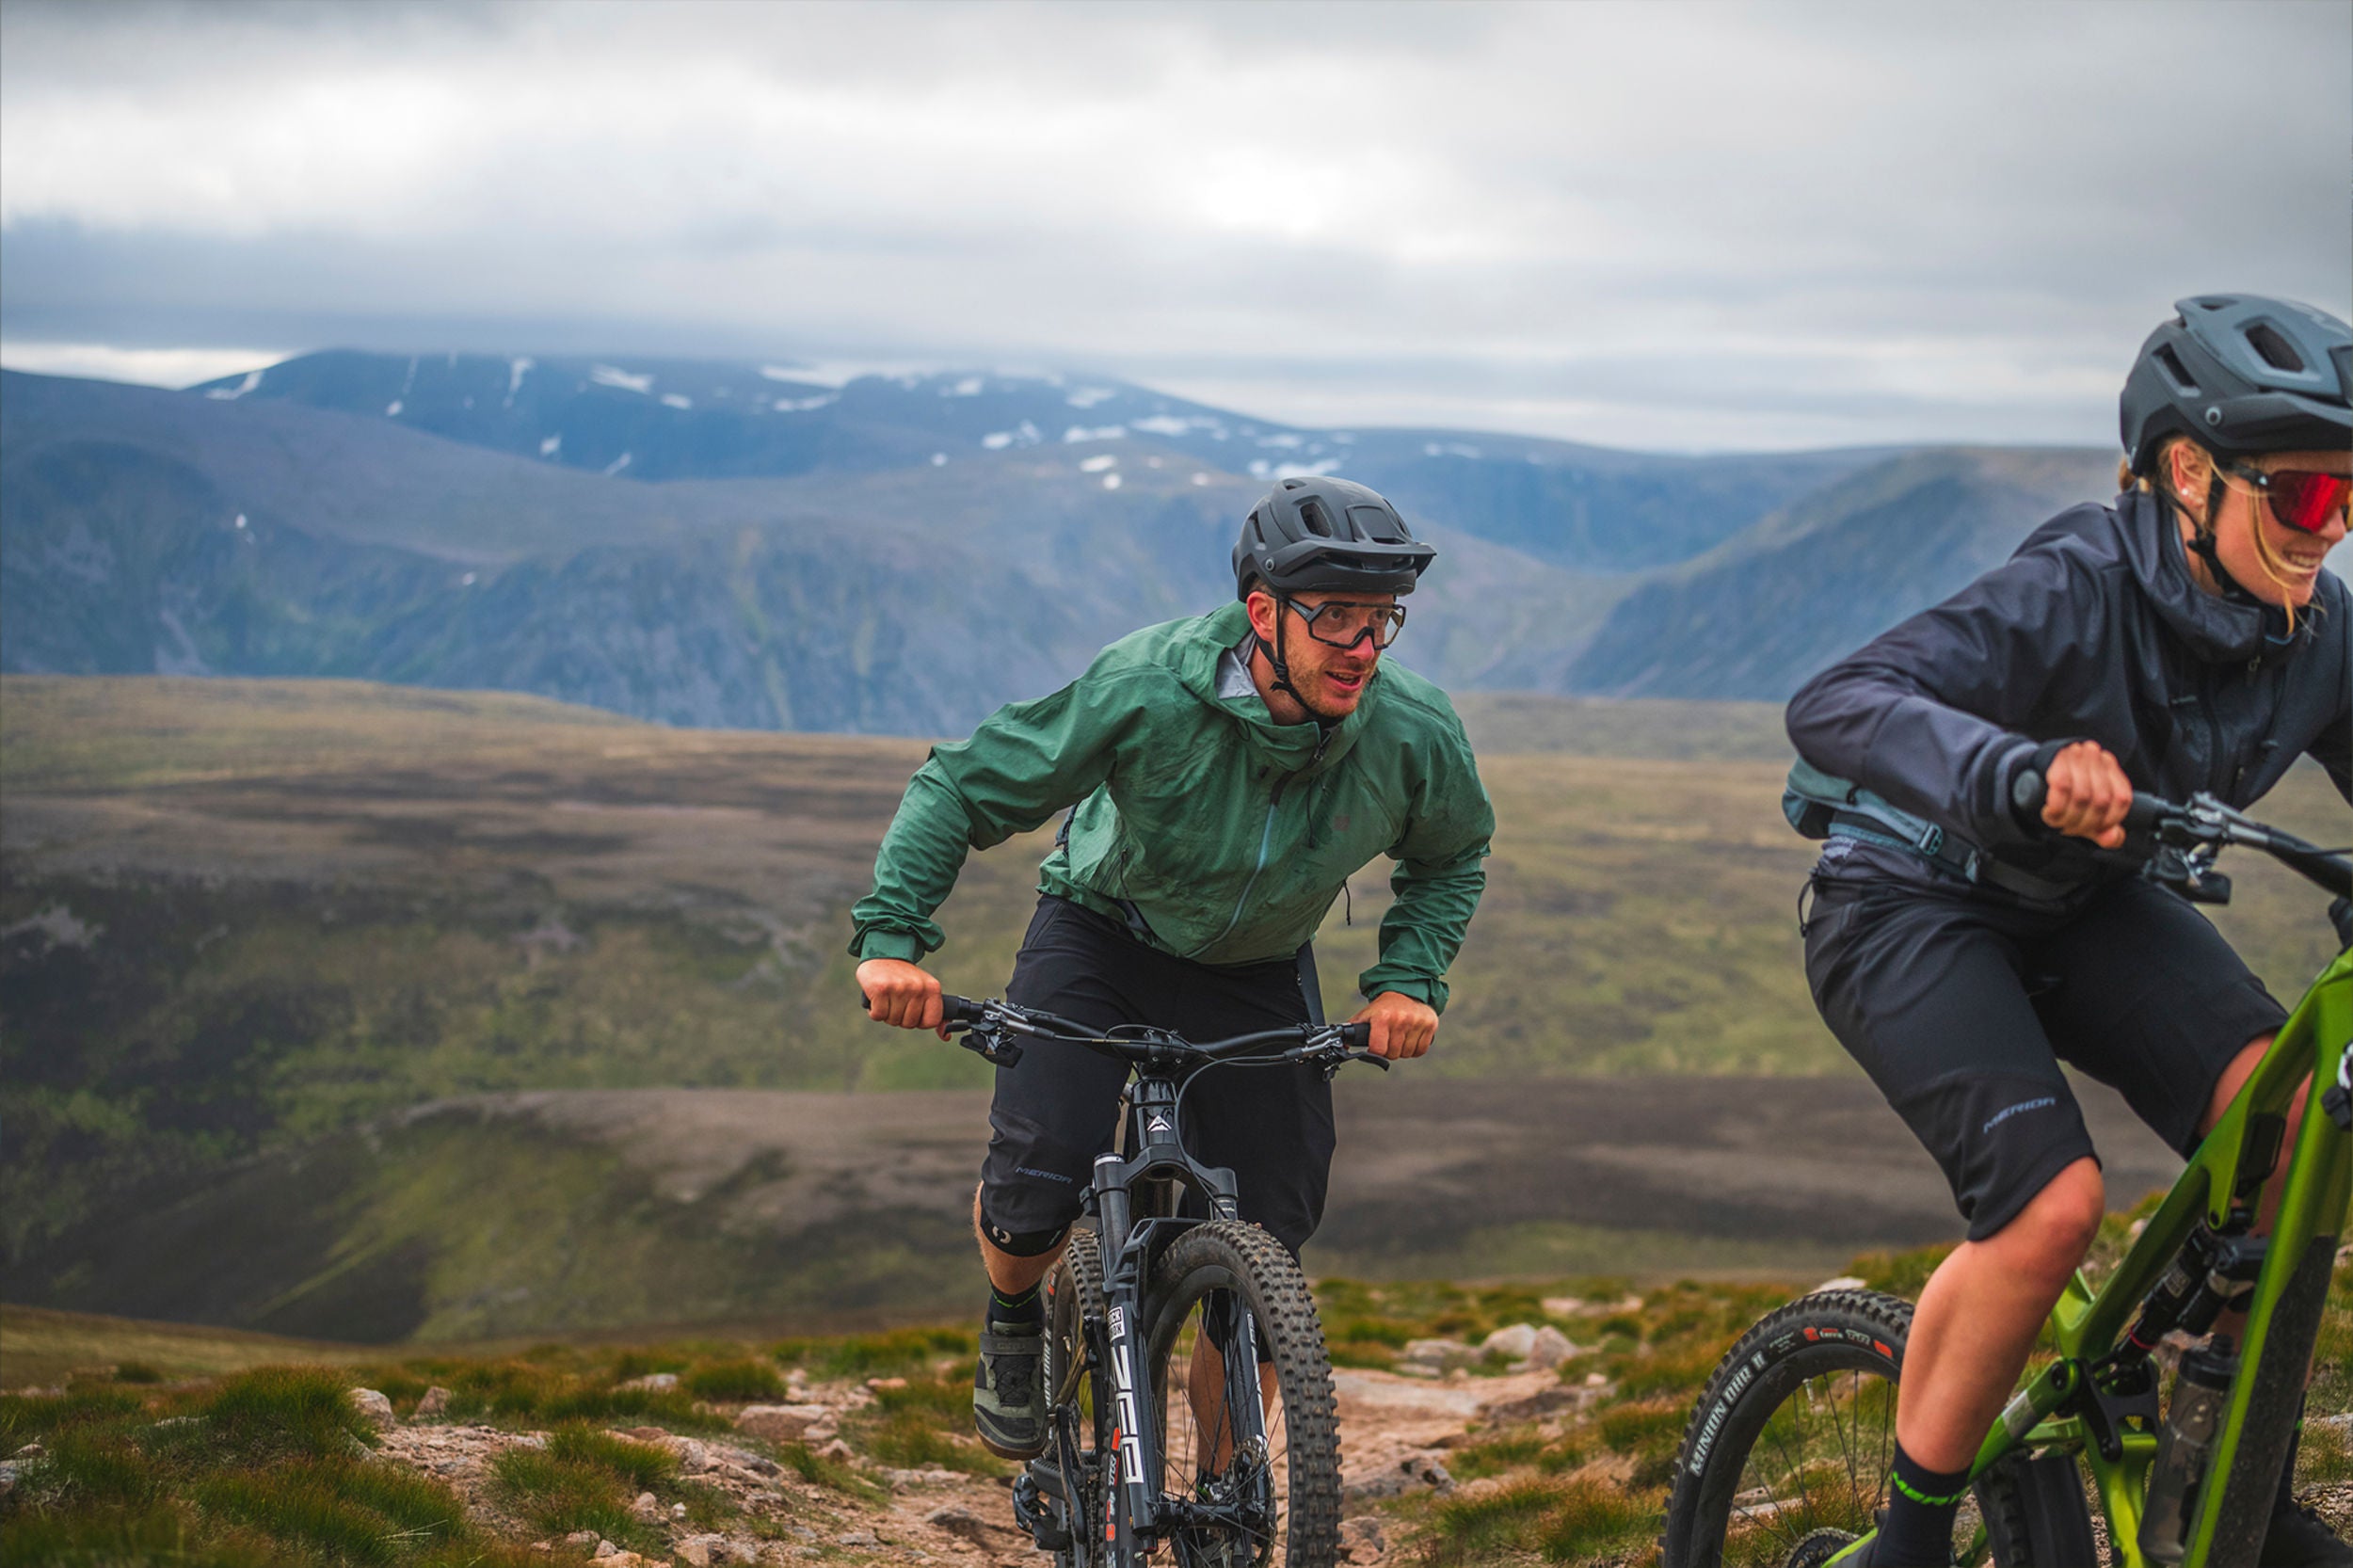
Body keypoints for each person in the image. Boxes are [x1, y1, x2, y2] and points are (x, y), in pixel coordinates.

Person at [1788, 294, 2352, 1568]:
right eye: (2311, 496)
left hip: (2087, 902)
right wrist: (2011, 768)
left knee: (2288, 1123)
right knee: (2051, 1210)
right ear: (2191, 473)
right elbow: (1837, 701)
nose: (2334, 529)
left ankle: (2222, 1482)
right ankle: (1908, 1542)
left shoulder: (2321, 636)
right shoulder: (2075, 583)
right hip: (1911, 896)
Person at [851, 475, 1494, 1460]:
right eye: (1336, 621)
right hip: (1101, 935)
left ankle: (1230, 1488)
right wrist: (893, 940)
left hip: (1256, 969)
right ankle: (1015, 1315)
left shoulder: (1411, 730)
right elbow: (962, 785)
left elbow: (1451, 852)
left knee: (1269, 1238)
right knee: (1035, 1184)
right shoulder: (1148, 685)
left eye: (1382, 621)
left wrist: (1408, 978)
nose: (1363, 650)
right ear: (1263, 612)